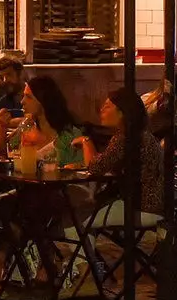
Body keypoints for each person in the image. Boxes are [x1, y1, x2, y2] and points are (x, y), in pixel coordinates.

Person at [81, 87, 164, 221]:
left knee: (83, 215)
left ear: (122, 112)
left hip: (139, 206)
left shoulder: (125, 137)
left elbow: (95, 167)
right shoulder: (141, 134)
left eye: (107, 107)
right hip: (154, 203)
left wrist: (86, 141)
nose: (101, 110)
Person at [13, 75, 86, 174]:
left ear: (43, 101)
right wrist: (3, 127)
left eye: (28, 97)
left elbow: (80, 173)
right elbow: (6, 152)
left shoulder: (70, 135)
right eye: (23, 96)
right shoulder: (26, 129)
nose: (22, 101)